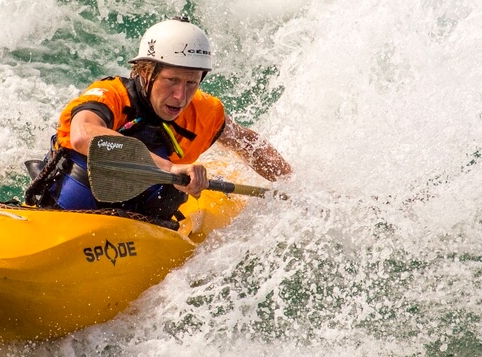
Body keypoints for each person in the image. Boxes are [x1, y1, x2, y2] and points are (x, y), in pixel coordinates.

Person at [26, 16, 292, 221]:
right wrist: (168, 169)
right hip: (67, 211)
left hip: (143, 224)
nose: (180, 95)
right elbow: (84, 133)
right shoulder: (111, 95)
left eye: (192, 83)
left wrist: (293, 187)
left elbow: (247, 143)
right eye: (171, 80)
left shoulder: (203, 111)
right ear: (145, 71)